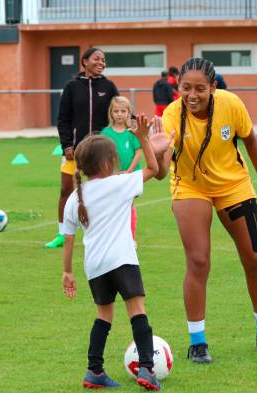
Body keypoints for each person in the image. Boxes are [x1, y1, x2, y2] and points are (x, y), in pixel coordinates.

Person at [149, 57, 257, 363]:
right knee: (199, 261)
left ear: (213, 87)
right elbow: (162, 172)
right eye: (186, 88)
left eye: (200, 88)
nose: (192, 95)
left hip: (234, 185)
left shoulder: (231, 104)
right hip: (190, 187)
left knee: (255, 258)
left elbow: (251, 141)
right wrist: (156, 149)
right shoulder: (172, 115)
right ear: (178, 87)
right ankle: (197, 342)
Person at [62, 114, 171, 390]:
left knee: (104, 316)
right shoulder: (120, 184)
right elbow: (152, 167)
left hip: (94, 266)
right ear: (108, 162)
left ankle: (94, 370)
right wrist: (144, 138)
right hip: (122, 260)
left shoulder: (76, 197)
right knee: (137, 311)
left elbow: (68, 239)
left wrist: (67, 272)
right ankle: (147, 368)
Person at [46, 47, 119, 249]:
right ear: (84, 62)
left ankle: (103, 232)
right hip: (75, 150)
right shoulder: (71, 87)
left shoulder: (109, 86)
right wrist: (67, 144)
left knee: (101, 192)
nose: (101, 62)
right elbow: (63, 119)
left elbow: (120, 112)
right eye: (97, 58)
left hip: (100, 151)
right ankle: (62, 234)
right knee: (66, 190)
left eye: (104, 60)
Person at [101, 96, 142, 240]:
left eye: (123, 111)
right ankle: (114, 238)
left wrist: (128, 171)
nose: (119, 114)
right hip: (111, 176)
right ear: (111, 113)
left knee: (128, 206)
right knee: (113, 207)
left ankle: (130, 238)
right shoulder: (106, 133)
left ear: (128, 113)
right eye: (116, 111)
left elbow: (138, 152)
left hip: (130, 176)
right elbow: (103, 154)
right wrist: (110, 171)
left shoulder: (132, 132)